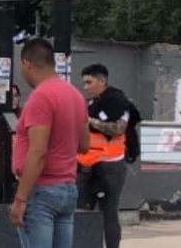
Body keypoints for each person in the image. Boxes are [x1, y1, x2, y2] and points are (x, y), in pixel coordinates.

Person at [8, 38, 89, 248]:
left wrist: (20, 198)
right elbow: (83, 144)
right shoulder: (75, 95)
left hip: (42, 191)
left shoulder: (40, 97)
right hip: (68, 189)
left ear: (27, 64)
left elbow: (38, 152)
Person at [76, 64, 132, 248]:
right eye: (84, 83)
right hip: (86, 164)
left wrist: (89, 121)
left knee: (109, 214)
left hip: (110, 165)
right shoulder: (88, 103)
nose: (85, 87)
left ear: (102, 81)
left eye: (89, 82)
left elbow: (118, 128)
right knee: (83, 213)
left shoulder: (118, 102)